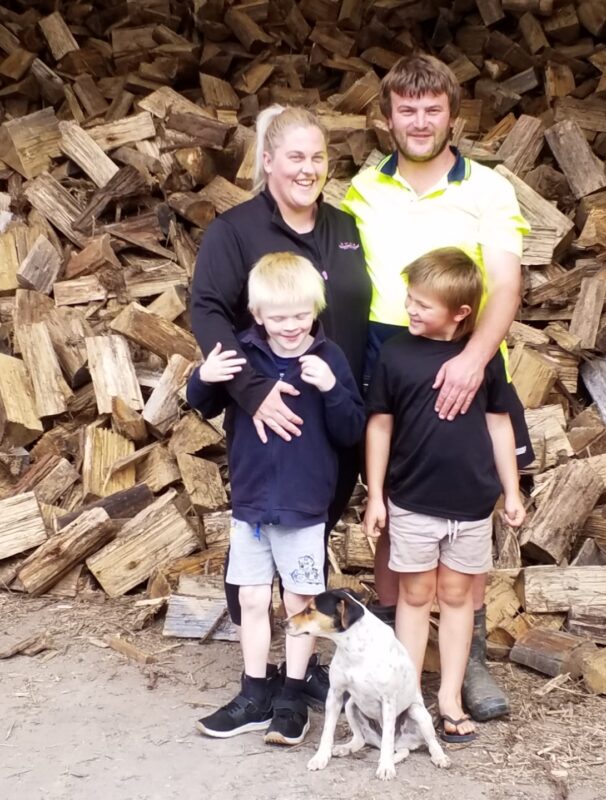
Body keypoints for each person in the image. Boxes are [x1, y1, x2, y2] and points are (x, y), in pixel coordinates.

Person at [341, 54, 532, 720]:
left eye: (432, 109)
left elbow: (506, 284)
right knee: (396, 511)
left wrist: (475, 358)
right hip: (388, 353)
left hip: (466, 353)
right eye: (406, 109)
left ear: (453, 114)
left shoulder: (489, 188)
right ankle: (399, 666)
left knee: (467, 504)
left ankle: (467, 664)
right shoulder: (363, 189)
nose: (419, 121)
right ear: (387, 116)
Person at [190, 105, 371, 733]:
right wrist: (252, 388)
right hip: (266, 429)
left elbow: (362, 316)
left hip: (333, 423)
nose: (308, 168)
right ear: (267, 160)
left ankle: (296, 676)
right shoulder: (234, 231)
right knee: (259, 559)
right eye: (295, 156)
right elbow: (209, 313)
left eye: (318, 157)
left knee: (309, 545)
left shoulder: (346, 228)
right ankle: (262, 680)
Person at [364, 248, 525, 743]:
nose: (410, 310)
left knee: (457, 597)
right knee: (414, 596)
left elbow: (500, 424)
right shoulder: (394, 354)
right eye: (409, 299)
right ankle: (405, 697)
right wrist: (375, 495)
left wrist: (512, 490)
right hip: (411, 501)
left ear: (460, 314)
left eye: (422, 305)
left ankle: (450, 698)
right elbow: (380, 426)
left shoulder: (483, 357)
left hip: (471, 505)